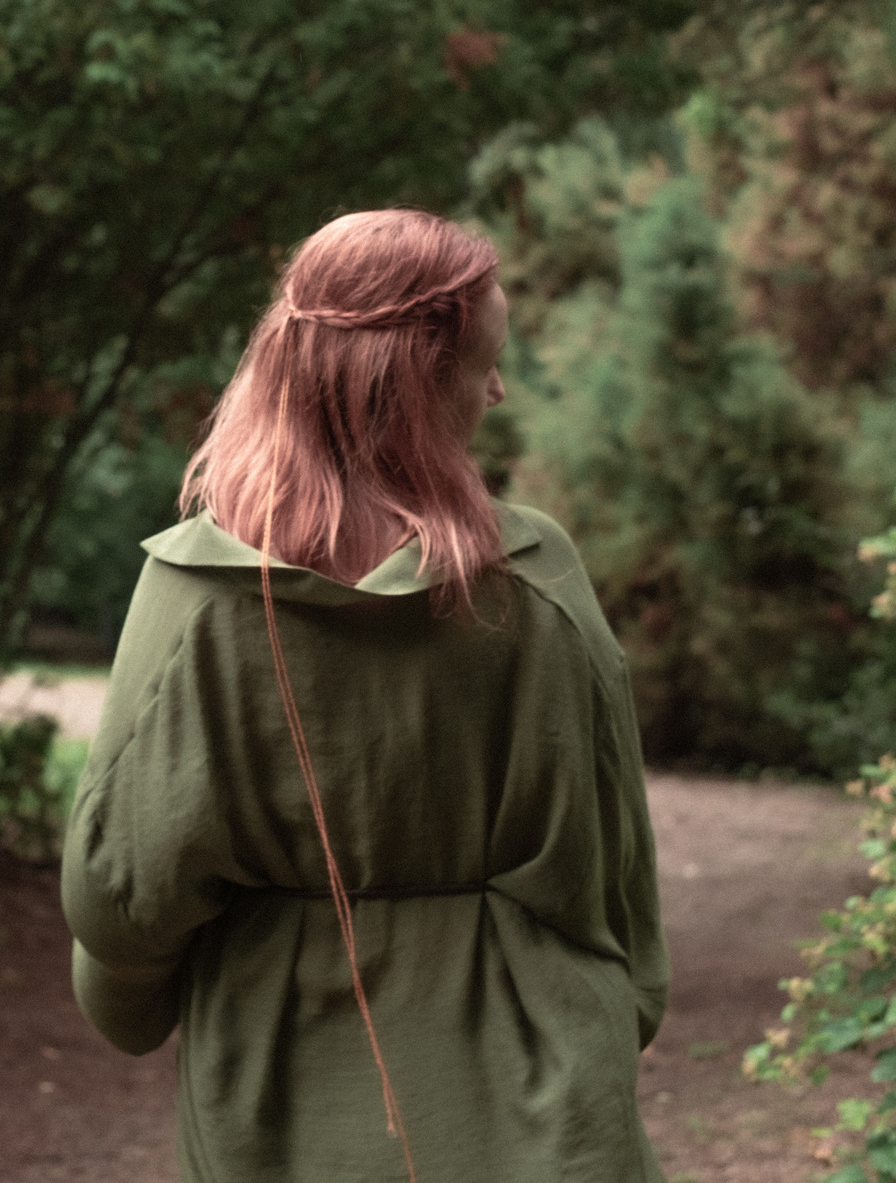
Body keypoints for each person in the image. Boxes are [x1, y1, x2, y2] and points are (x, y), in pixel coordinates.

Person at [60, 207, 669, 1183]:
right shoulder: (534, 581)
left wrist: (128, 1003)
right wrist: (617, 1011)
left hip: (277, 1096)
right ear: (421, 386)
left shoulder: (195, 600)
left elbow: (123, 895)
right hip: (537, 1100)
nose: (501, 388)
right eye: (487, 364)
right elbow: (609, 865)